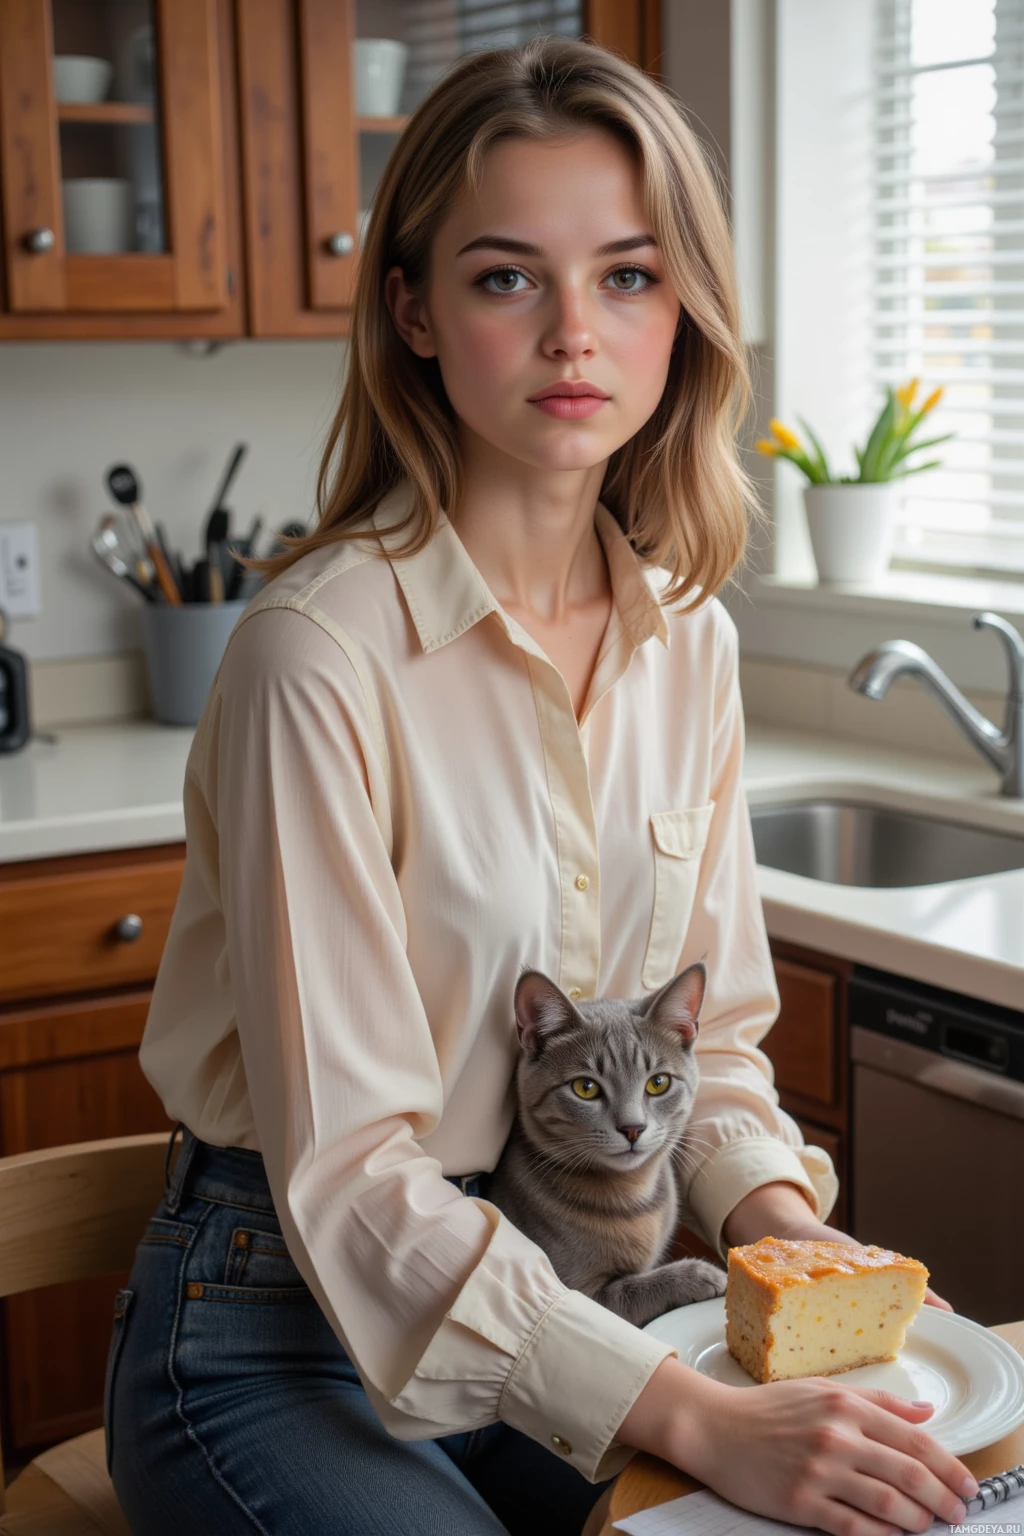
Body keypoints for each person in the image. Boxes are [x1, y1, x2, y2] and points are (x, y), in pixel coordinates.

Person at [105, 36, 979, 1536]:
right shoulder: (315, 658)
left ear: (684, 309)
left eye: (629, 276)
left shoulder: (688, 644)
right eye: (510, 276)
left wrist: (788, 1247)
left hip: (574, 1295)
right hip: (272, 1332)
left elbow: (710, 1053)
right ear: (417, 310)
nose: (577, 331)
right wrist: (701, 1413)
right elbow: (361, 1176)